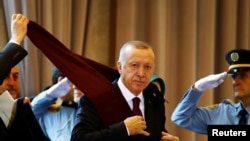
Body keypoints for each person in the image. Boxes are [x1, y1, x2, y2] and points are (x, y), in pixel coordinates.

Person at [71, 41, 179, 141]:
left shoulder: (155, 99)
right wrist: (124, 129)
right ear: (120, 67)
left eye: (147, 67)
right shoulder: (96, 99)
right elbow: (78, 138)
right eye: (134, 65)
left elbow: (157, 134)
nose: (141, 73)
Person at [171, 48, 250, 134]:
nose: (235, 82)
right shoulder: (222, 112)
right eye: (234, 77)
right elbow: (180, 118)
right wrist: (197, 88)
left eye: (243, 76)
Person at [0, 13, 48, 141]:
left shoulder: (24, 107)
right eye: (4, 76)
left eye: (15, 76)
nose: (11, 83)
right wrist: (15, 40)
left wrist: (22, 113)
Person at [31, 66, 84, 141]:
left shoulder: (80, 106)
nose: (78, 87)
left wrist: (84, 103)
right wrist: (55, 94)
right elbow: (28, 114)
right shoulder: (47, 107)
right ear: (62, 82)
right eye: (75, 81)